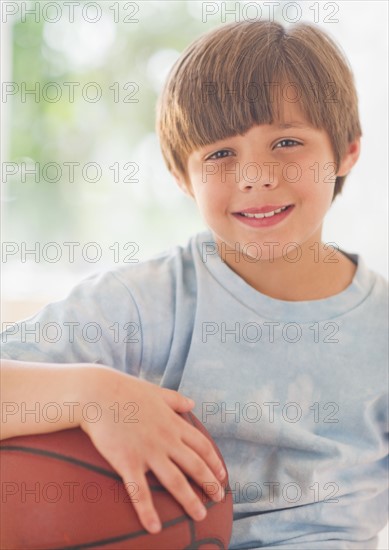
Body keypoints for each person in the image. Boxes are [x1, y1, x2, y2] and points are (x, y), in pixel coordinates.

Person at [1, 20, 388, 549]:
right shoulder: (145, 303)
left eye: (287, 142)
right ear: (183, 177)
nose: (256, 175)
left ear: (345, 152)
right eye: (221, 155)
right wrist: (94, 394)